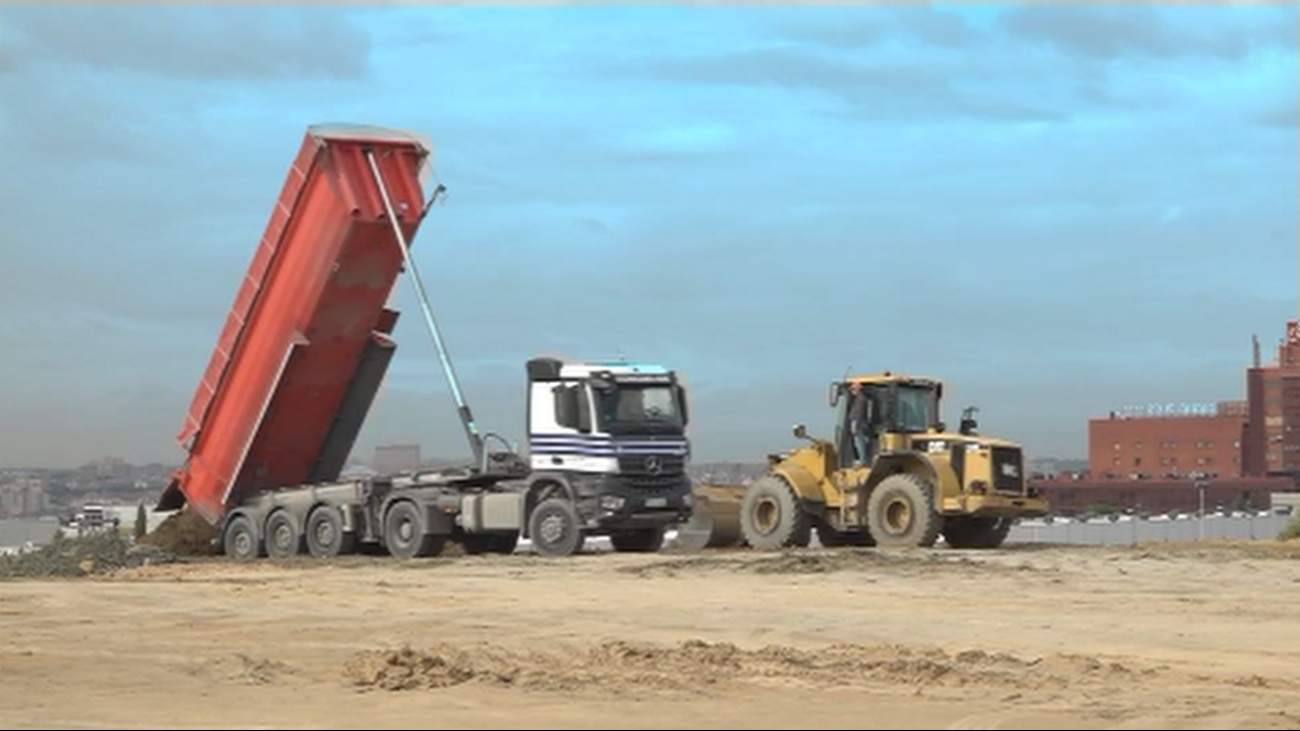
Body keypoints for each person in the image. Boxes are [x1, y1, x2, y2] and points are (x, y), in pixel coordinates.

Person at [848, 382, 873, 467]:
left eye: (853, 389)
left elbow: (859, 413)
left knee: (859, 442)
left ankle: (862, 460)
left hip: (858, 423)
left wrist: (855, 424)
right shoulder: (860, 399)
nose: (852, 391)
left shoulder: (861, 399)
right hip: (859, 423)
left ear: (859, 390)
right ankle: (862, 459)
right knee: (859, 442)